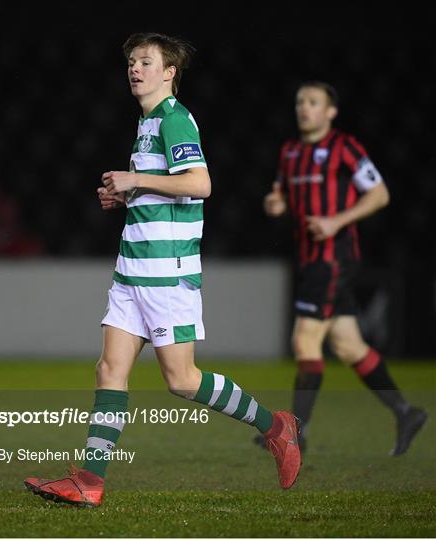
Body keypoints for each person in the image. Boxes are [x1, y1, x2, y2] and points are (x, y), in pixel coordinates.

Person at [24, 33, 301, 508]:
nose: (135, 68)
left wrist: (134, 179)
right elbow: (165, 188)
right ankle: (90, 482)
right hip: (132, 268)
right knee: (109, 368)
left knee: (183, 381)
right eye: (132, 61)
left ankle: (277, 427)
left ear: (170, 72)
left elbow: (200, 184)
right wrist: (126, 195)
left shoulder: (175, 120)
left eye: (146, 61)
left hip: (166, 273)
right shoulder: (147, 122)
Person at [256, 81, 427, 455]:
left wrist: (337, 221)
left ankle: (294, 432)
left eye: (314, 102)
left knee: (304, 341)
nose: (304, 108)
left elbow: (380, 194)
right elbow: (281, 196)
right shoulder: (289, 152)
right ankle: (405, 412)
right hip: (309, 258)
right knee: (349, 346)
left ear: (330, 111)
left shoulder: (344, 148)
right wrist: (277, 205)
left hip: (333, 257)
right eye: (300, 101)